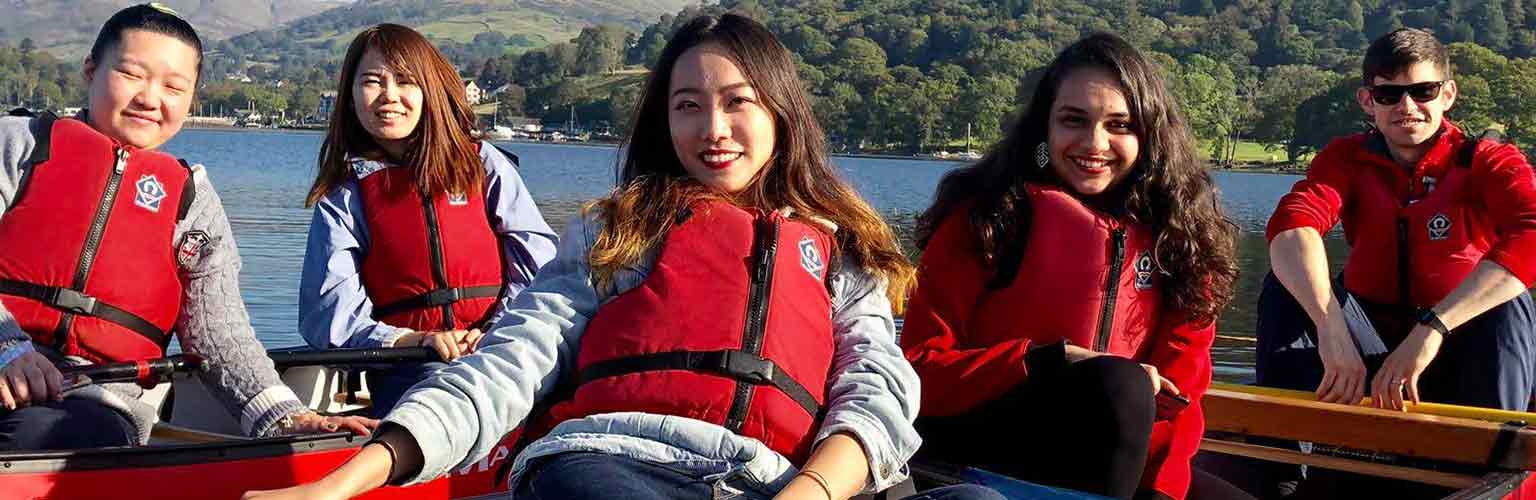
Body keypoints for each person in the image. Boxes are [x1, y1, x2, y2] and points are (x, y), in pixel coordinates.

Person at [246, 13, 1000, 500]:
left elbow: (877, 387)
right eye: (687, 105)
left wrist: (810, 491)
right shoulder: (618, 232)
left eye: (738, 101)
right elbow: (508, 364)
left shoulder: (840, 249)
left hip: (782, 480)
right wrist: (348, 479)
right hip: (609, 463)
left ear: (780, 111)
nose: (714, 128)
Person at [0, 3, 372, 451]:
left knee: (51, 435)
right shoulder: (20, 142)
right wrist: (9, 349)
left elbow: (217, 332)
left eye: (174, 87)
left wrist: (286, 417)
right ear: (90, 71)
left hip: (92, 404)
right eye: (132, 74)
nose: (150, 99)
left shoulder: (191, 200)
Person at [901, 33, 1251, 500]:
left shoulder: (1183, 236)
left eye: (1119, 125)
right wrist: (1052, 359)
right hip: (984, 442)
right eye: (1074, 120)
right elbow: (921, 369)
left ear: (1149, 136)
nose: (1094, 143)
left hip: (1120, 457)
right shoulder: (984, 218)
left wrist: (1164, 491)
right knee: (1123, 381)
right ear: (1043, 129)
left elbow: (1181, 396)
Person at [1258, 27, 1536, 413]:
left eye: (1423, 91)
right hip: (1366, 345)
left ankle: (1495, 454)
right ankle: (1283, 456)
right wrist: (1330, 328)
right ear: (1368, 102)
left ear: (1448, 95)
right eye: (1389, 94)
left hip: (1458, 341)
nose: (1407, 106)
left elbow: (1532, 232)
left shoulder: (1488, 161)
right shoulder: (1346, 159)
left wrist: (1432, 328)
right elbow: (1292, 225)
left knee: (1510, 303)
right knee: (1284, 285)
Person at [298, 24, 557, 417]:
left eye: (405, 81)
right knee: (433, 388)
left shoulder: (485, 165)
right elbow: (327, 315)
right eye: (372, 81)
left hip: (504, 352)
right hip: (408, 367)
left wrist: (492, 333)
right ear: (350, 98)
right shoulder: (345, 195)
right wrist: (413, 340)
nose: (390, 96)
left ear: (429, 91)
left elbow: (540, 268)